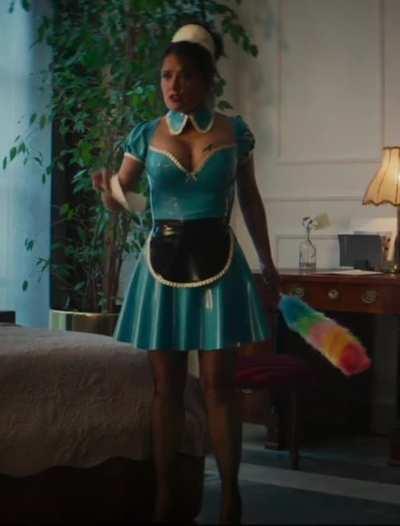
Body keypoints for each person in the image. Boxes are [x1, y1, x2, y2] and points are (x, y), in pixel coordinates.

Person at [92, 22, 280, 524]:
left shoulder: (235, 132)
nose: (173, 86)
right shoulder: (144, 134)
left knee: (219, 384)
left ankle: (231, 495)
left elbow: (250, 200)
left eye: (185, 76)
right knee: (167, 386)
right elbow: (126, 198)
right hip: (162, 265)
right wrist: (109, 192)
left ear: (207, 80)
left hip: (220, 260)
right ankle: (164, 493)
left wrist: (267, 261)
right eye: (166, 76)